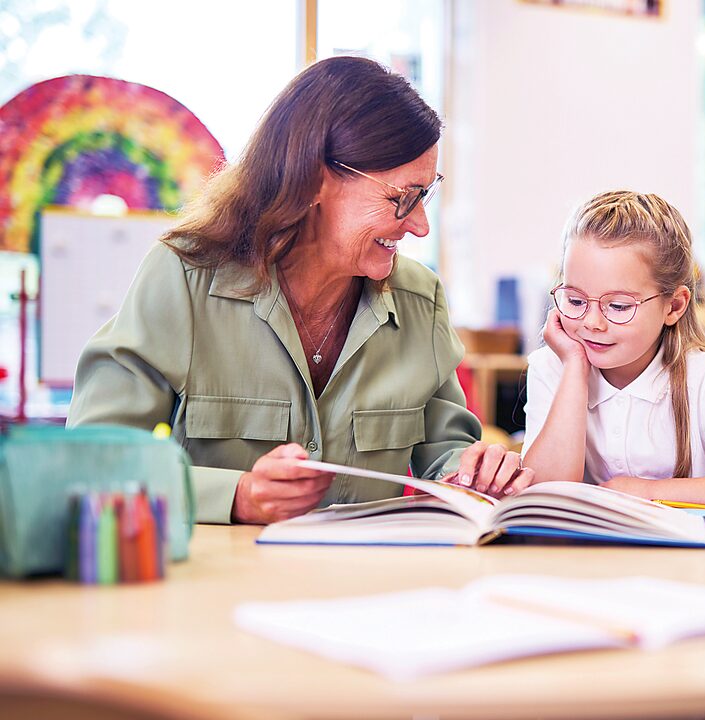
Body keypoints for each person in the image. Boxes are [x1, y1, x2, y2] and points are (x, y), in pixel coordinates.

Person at [67, 56, 531, 524]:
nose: (420, 225)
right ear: (313, 179)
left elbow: (447, 453)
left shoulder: (421, 300)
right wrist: (237, 496)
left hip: (371, 572)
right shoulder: (183, 278)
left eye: (424, 195)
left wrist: (475, 473)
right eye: (401, 198)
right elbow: (92, 461)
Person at [462, 190, 705, 511]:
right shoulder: (553, 367)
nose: (592, 322)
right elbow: (545, 496)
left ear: (674, 306)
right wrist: (575, 368)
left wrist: (647, 491)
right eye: (576, 300)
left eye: (619, 306)